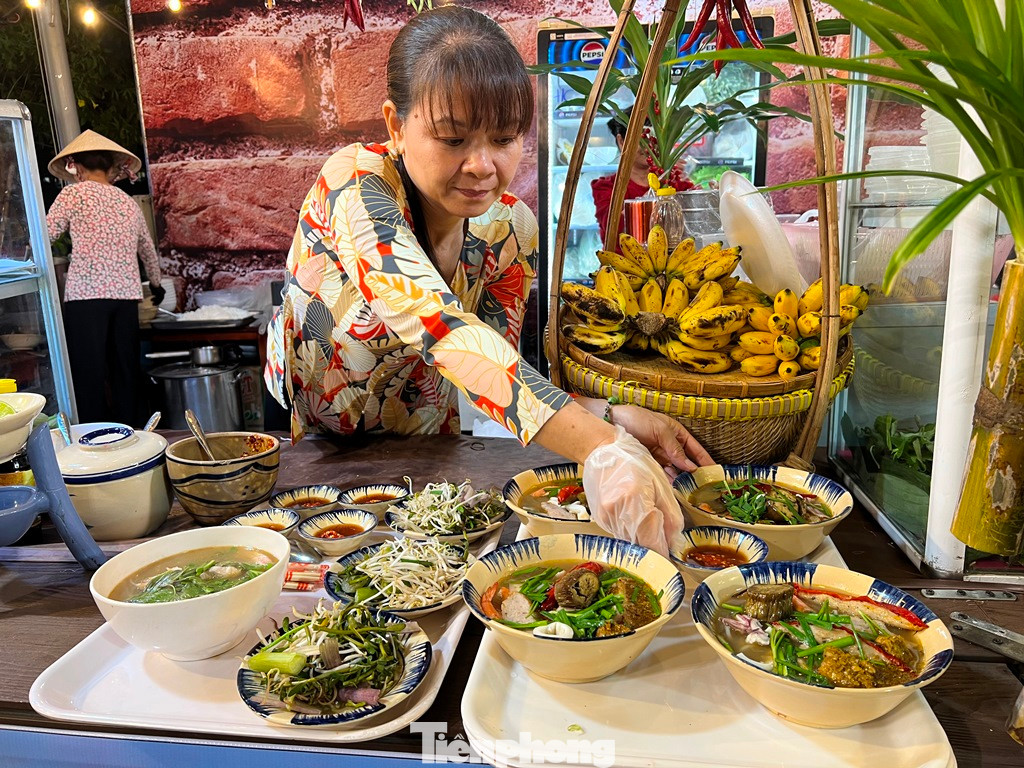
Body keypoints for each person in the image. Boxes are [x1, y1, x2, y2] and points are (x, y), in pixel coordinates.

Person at [265, 6, 713, 555]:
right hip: (319, 467)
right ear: (396, 126)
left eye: (503, 138)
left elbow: (493, 379)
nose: (482, 166)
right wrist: (600, 445)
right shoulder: (355, 184)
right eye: (453, 140)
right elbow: (441, 326)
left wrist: (614, 418)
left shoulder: (509, 228)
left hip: (431, 470)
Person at [46, 130, 164, 426]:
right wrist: (157, 284)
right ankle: (130, 435)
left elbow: (46, 234)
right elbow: (148, 249)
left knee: (89, 372)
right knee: (125, 371)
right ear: (112, 168)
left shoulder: (72, 194)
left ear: (79, 167)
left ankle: (92, 436)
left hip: (86, 296)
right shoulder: (127, 201)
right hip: (125, 297)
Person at [590, 110, 695, 243]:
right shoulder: (607, 187)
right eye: (643, 139)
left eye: (655, 137)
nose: (649, 146)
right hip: (624, 263)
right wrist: (659, 194)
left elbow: (698, 219)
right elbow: (613, 229)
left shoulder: (675, 181)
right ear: (621, 141)